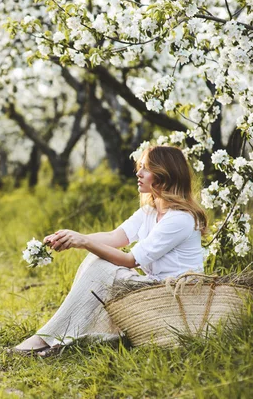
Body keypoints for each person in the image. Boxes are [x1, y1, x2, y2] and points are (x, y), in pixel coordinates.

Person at [12, 146, 208, 357]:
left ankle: (46, 338)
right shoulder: (150, 211)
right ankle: (62, 336)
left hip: (174, 296)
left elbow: (130, 260)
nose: (138, 173)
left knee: (103, 268)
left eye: (146, 169)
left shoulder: (179, 219)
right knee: (96, 259)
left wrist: (84, 241)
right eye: (139, 167)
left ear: (164, 175)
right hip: (155, 288)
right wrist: (72, 238)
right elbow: (115, 238)